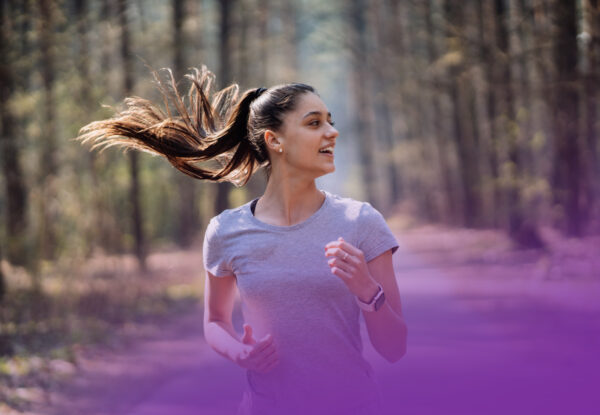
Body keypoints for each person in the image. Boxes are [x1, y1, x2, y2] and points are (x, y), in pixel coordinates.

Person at [77, 66, 407, 415]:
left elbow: (394, 348)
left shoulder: (361, 222)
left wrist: (367, 290)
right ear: (274, 140)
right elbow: (215, 321)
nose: (333, 132)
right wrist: (240, 353)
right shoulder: (227, 231)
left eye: (330, 121)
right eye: (315, 123)